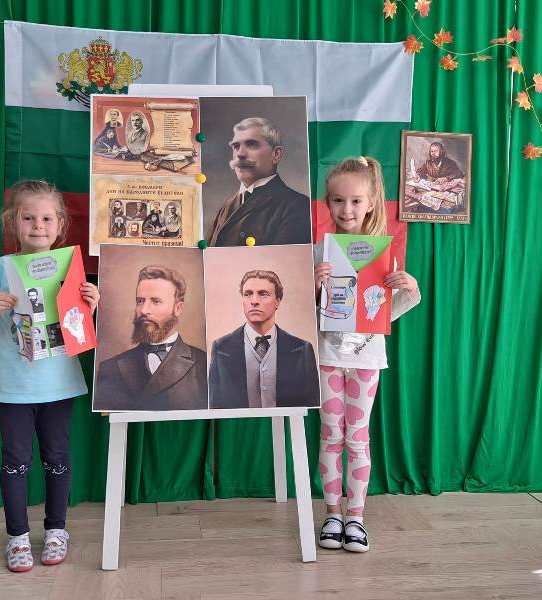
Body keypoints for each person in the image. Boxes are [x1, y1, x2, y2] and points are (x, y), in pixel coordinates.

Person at [0, 180, 100, 572]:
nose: (38, 226)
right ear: (13, 222)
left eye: (46, 218)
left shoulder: (70, 269)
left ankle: (57, 530)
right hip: (12, 387)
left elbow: (78, 327)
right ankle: (17, 537)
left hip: (59, 384)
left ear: (60, 224)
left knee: (57, 457)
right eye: (28, 218)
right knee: (15, 460)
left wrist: (91, 306)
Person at [314, 157, 420, 553]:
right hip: (327, 356)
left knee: (357, 438)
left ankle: (355, 517)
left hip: (366, 359)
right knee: (331, 434)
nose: (347, 210)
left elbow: (385, 311)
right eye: (338, 200)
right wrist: (314, 285)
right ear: (328, 202)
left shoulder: (383, 254)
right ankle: (332, 514)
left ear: (371, 203)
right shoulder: (320, 252)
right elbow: (302, 311)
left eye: (356, 201)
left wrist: (409, 287)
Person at [95, 265, 207, 411]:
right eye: (140, 301)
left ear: (178, 308)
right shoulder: (111, 367)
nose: (144, 310)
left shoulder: (204, 365)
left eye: (156, 301)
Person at [208, 270, 319, 409]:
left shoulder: (302, 350)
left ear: (278, 301)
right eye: (248, 294)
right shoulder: (221, 348)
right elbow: (215, 406)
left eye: (263, 294)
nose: (254, 301)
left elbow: (312, 405)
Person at [206, 117, 312, 247]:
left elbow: (283, 259)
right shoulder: (226, 207)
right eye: (236, 146)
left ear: (276, 154)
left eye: (251, 144)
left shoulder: (297, 206)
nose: (240, 154)